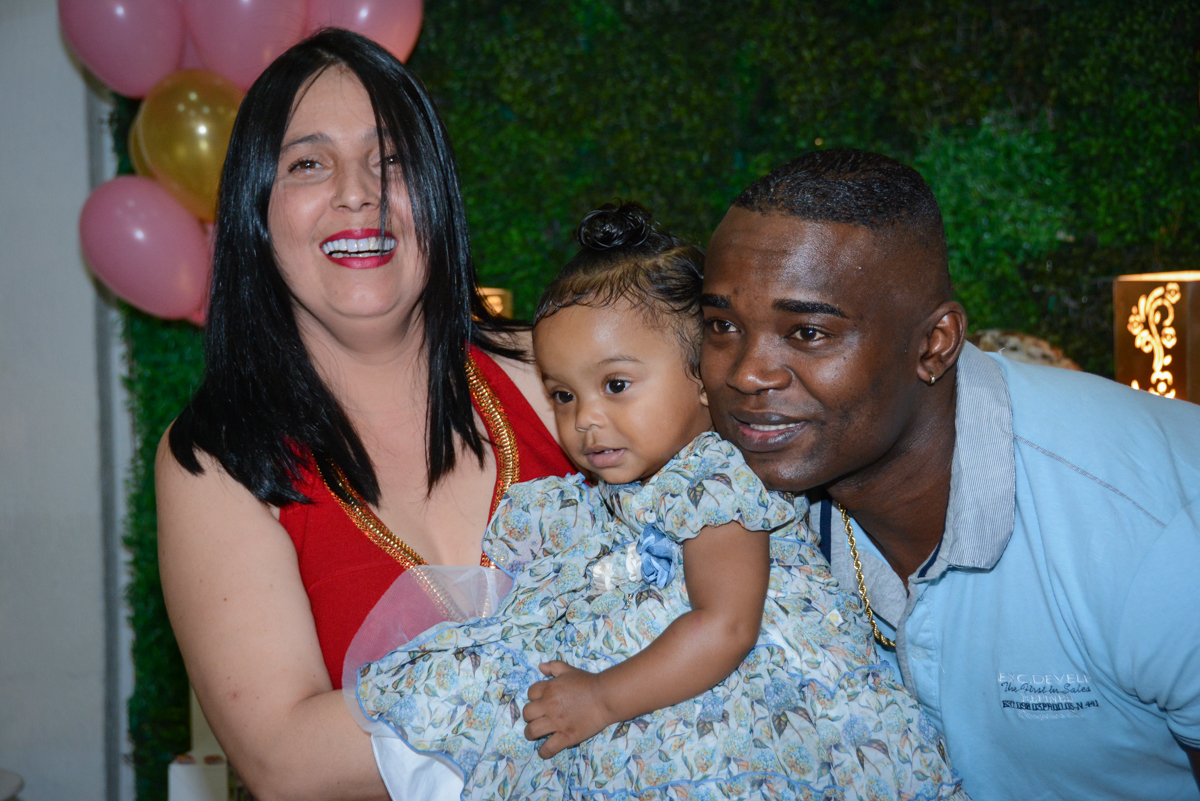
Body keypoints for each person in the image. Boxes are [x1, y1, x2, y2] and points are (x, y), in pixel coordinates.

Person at [355, 203, 967, 800]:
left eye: (616, 385)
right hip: (658, 722)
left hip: (750, 725)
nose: (587, 419)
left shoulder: (712, 480)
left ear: (701, 378)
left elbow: (726, 625)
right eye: (563, 395)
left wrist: (601, 698)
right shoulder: (606, 505)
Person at [698, 148, 1200, 801]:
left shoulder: (1147, 531)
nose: (744, 372)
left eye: (808, 332)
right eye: (720, 325)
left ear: (933, 344)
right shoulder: (733, 498)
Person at [155, 29, 573, 800]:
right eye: (309, 163)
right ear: (257, 211)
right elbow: (285, 758)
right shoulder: (216, 456)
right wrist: (595, 673)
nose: (360, 190)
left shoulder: (557, 369)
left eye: (392, 160)